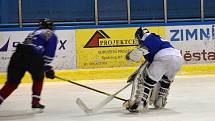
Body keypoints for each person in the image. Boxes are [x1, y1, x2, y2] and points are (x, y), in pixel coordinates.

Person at [0, 18, 58, 110]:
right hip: (33, 56)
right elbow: (48, 54)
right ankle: (35, 102)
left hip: (18, 54)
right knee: (38, 78)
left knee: (12, 83)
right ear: (50, 26)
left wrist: (45, 68)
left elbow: (28, 48)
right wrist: (47, 68)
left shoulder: (33, 33)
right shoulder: (51, 34)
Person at [124, 27, 183, 113]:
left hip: (163, 57)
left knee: (145, 82)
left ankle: (139, 103)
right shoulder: (157, 39)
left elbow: (134, 56)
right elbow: (148, 63)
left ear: (139, 36)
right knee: (165, 80)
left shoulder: (147, 39)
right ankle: (160, 101)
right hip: (178, 58)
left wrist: (128, 56)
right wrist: (137, 72)